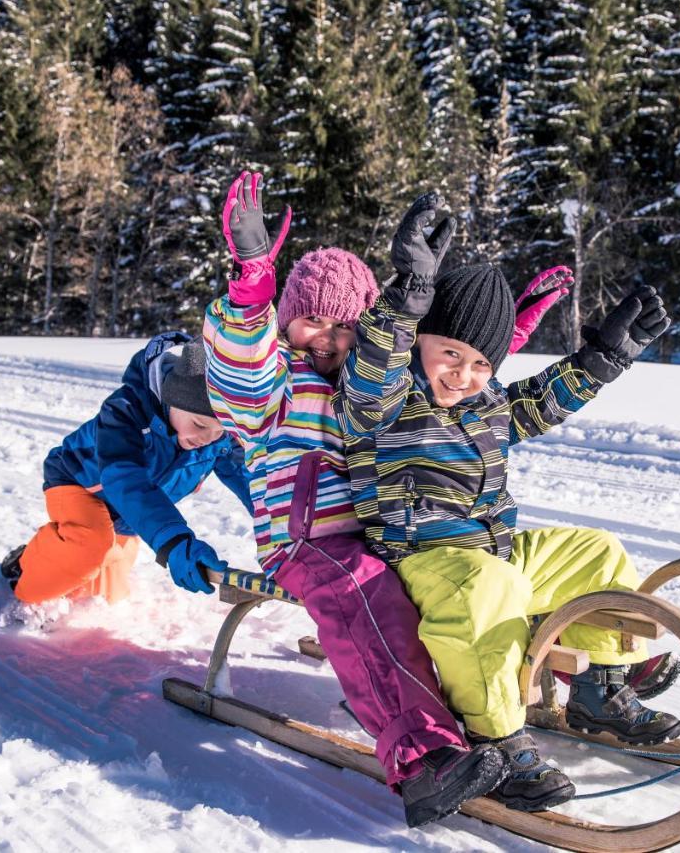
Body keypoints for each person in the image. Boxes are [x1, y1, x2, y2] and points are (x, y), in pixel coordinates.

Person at [335, 193, 680, 813]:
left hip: (491, 554)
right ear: (420, 343)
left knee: (597, 553)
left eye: (478, 364)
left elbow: (540, 400)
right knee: (486, 589)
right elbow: (374, 364)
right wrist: (409, 293)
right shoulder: (382, 401)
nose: (461, 374)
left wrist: (602, 360)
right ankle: (496, 736)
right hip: (418, 564)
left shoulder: (486, 404)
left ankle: (598, 687)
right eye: (448, 353)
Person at [201, 171, 509, 828]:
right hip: (308, 544)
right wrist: (253, 280)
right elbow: (236, 365)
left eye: (346, 324)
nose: (330, 337)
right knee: (365, 595)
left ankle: (499, 705)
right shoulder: (274, 385)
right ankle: (423, 760)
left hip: (381, 535)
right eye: (313, 318)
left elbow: (440, 368)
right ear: (289, 322)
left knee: (462, 578)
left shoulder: (372, 384)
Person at [0, 332, 251, 605]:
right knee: (88, 546)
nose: (207, 438)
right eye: (200, 425)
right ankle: (23, 580)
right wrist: (174, 540)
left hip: (128, 513)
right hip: (80, 484)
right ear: (172, 399)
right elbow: (125, 479)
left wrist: (285, 527)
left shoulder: (218, 439)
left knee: (103, 596)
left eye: (220, 431)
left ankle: (56, 553)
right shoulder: (126, 412)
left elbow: (251, 480)